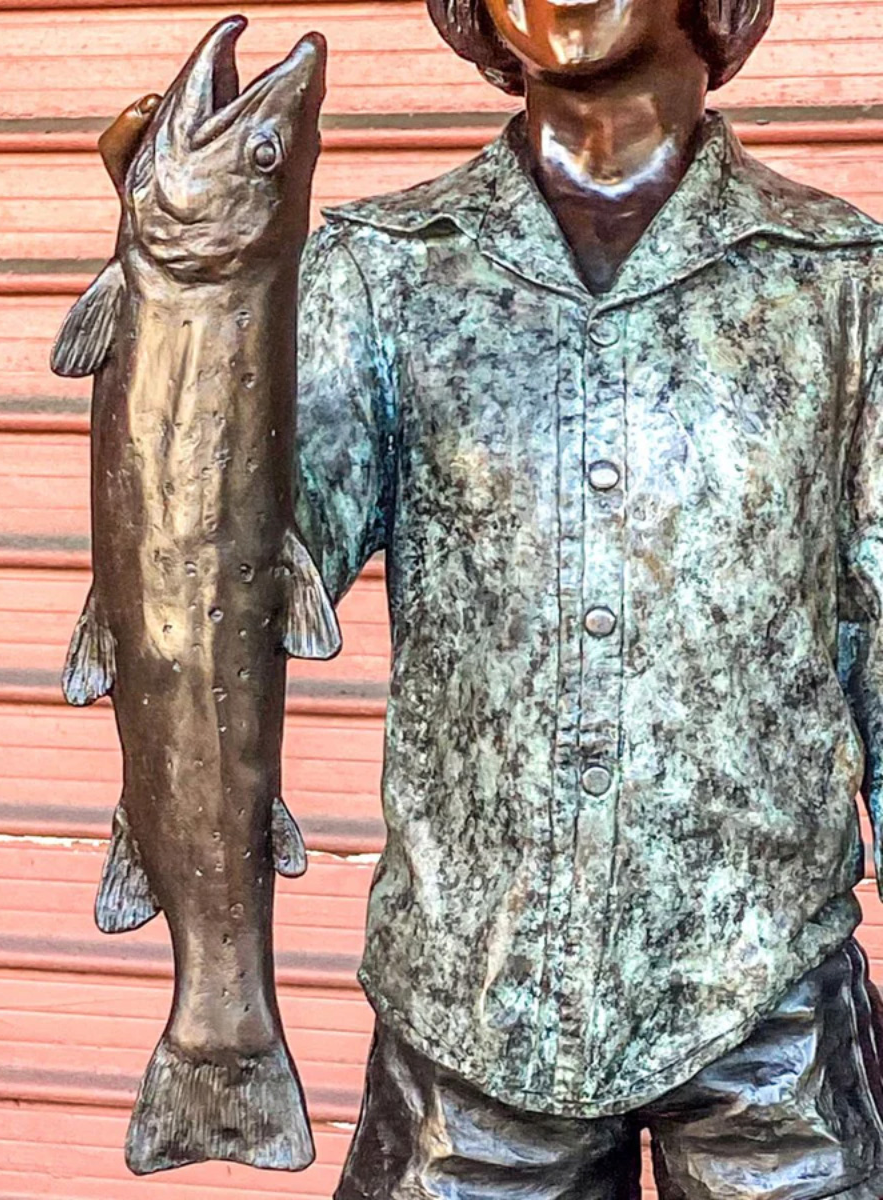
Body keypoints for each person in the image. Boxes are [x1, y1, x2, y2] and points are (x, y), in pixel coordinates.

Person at [107, 0, 883, 1194]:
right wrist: (186, 323)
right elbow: (227, 573)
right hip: (470, 1016)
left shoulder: (842, 280)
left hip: (766, 1011)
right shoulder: (383, 271)